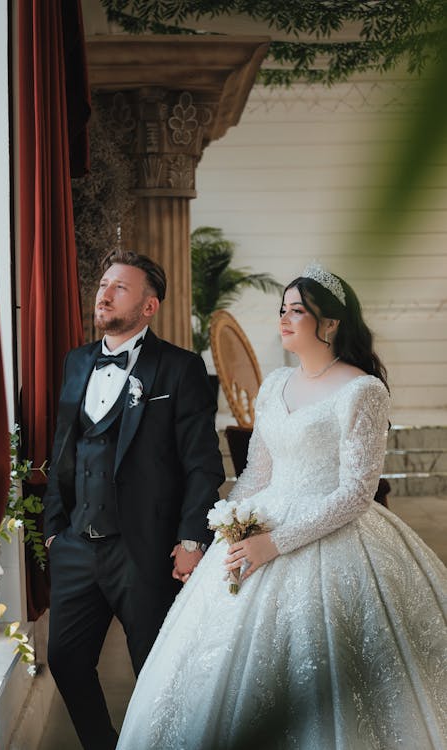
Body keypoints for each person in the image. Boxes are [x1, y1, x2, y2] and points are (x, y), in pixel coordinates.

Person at [117, 263, 447, 750]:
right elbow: (257, 474)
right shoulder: (274, 385)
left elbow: (357, 493)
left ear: (331, 324)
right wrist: (226, 529)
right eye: (282, 309)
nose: (284, 319)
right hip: (263, 522)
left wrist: (273, 544)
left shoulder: (363, 391)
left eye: (298, 310)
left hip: (336, 534)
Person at [43, 250, 224, 750]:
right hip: (77, 543)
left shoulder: (180, 369)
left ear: (149, 306)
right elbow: (65, 444)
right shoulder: (77, 361)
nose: (104, 293)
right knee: (66, 660)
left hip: (145, 547)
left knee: (156, 669)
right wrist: (55, 529)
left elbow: (202, 463)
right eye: (104, 284)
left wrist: (193, 537)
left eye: (120, 287)